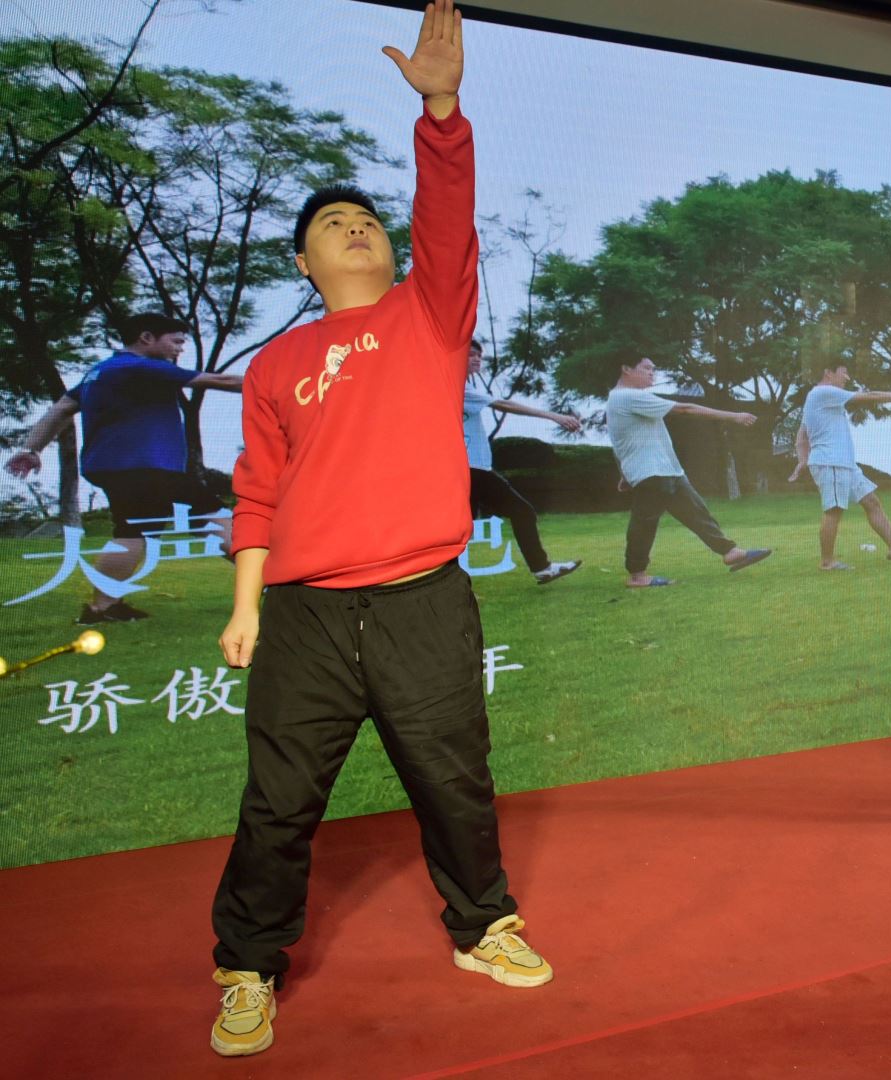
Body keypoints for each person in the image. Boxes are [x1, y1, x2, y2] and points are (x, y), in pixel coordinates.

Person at [207, 3, 550, 1058]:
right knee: (278, 802)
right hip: (305, 615)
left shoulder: (427, 315)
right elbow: (258, 492)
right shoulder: (273, 366)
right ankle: (247, 967)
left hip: (421, 601)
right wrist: (245, 608)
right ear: (304, 264)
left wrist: (441, 111)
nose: (355, 227)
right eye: (331, 225)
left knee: (453, 778)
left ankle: (483, 927)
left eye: (366, 219)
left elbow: (446, 216)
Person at [5, 313, 241, 624]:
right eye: (175, 341)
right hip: (145, 467)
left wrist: (31, 449)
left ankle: (104, 606)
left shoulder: (100, 372)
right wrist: (287, 385)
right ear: (146, 338)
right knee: (203, 517)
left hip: (116, 467)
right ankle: (273, 582)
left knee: (153, 526)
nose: (180, 348)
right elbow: (221, 381)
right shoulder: (140, 367)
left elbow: (61, 409)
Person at [606, 358, 772, 587]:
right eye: (646, 368)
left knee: (697, 512)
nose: (652, 373)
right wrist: (734, 416)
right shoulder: (627, 396)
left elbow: (620, 441)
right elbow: (686, 409)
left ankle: (730, 552)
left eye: (654, 369)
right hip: (651, 472)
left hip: (667, 470)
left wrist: (624, 474)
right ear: (626, 368)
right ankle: (637, 575)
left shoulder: (623, 399)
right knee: (644, 523)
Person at [788, 365, 891, 569]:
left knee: (871, 502)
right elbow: (871, 396)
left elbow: (801, 436)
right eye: (843, 372)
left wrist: (803, 460)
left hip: (844, 463)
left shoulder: (817, 397)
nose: (847, 377)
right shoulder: (823, 392)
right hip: (831, 462)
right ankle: (827, 562)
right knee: (834, 509)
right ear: (828, 372)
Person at [464, 339, 582, 584]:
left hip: (478, 469)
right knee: (464, 530)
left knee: (517, 514)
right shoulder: (457, 387)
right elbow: (503, 404)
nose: (477, 359)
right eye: (471, 354)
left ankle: (542, 568)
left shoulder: (465, 387)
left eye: (479, 356)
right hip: (468, 470)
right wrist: (554, 416)